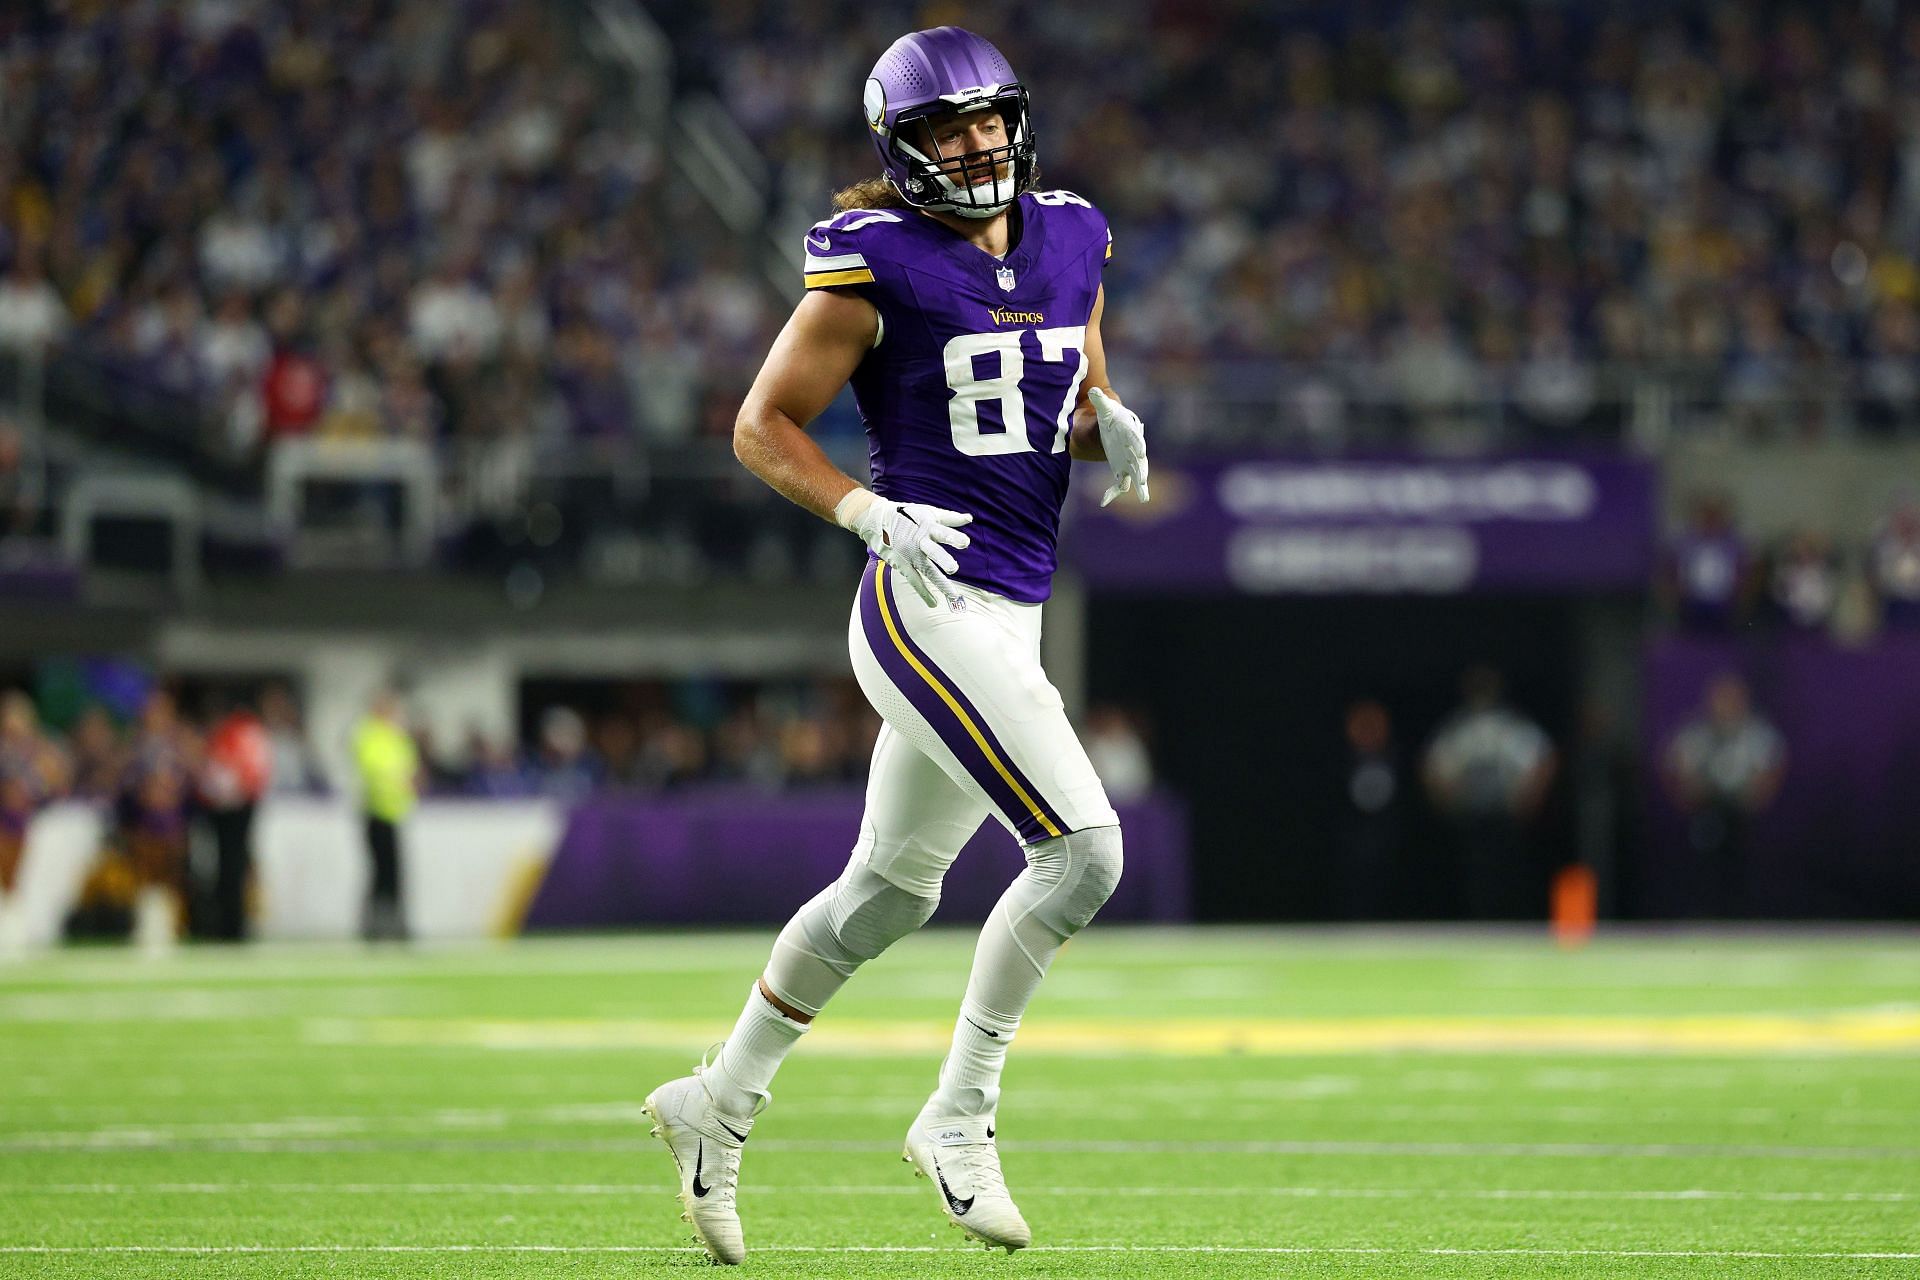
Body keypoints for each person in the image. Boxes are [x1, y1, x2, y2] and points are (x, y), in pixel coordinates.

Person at [641, 27, 1148, 1265]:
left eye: (988, 121)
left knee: (888, 892)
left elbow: (1052, 407)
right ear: (904, 149)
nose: (976, 146)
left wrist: (1110, 427)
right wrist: (862, 508)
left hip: (1012, 607)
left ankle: (716, 1102)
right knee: (1083, 852)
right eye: (947, 129)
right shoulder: (875, 262)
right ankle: (959, 1113)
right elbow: (761, 426)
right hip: (922, 601)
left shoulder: (1074, 234)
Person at [1422, 666, 1558, 919]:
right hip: (1474, 815)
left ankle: (1509, 920)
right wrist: (1446, 801)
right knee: (1476, 877)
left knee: (1509, 874)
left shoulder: (1509, 727)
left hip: (1505, 814)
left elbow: (1543, 760)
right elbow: (1434, 766)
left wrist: (1530, 800)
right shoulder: (1460, 728)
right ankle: (1479, 920)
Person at [1663, 673, 1786, 917]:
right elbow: (1673, 763)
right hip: (1708, 810)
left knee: (1742, 865)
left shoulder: (1755, 733)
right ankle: (1704, 914)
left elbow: (1774, 764)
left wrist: (1759, 794)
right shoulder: (1698, 733)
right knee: (1705, 861)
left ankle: (1742, 915)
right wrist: (1687, 792)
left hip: (1741, 812)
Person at [197, 694, 272, 941]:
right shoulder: (253, 734)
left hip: (230, 807)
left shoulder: (231, 734)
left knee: (229, 866)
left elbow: (218, 773)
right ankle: (233, 923)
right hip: (243, 805)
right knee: (235, 865)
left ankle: (229, 924)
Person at [351, 690, 419, 941]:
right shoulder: (369, 734)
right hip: (376, 812)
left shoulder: (395, 736)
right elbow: (374, 769)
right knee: (380, 872)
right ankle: (376, 927)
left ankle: (395, 925)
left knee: (394, 872)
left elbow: (410, 768)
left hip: (394, 813)